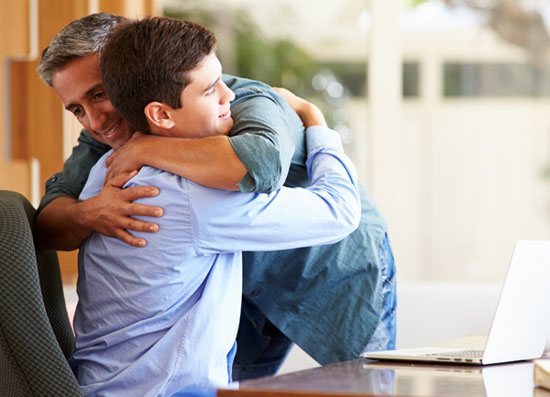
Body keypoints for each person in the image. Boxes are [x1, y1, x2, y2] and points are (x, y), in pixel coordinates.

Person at [35, 12, 396, 380]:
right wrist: (90, 212)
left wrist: (149, 149)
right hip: (221, 290)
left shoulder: (234, 101)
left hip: (326, 266)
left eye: (100, 93)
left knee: (372, 385)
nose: (95, 121)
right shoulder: (109, 151)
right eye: (78, 109)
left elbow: (261, 166)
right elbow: (47, 223)